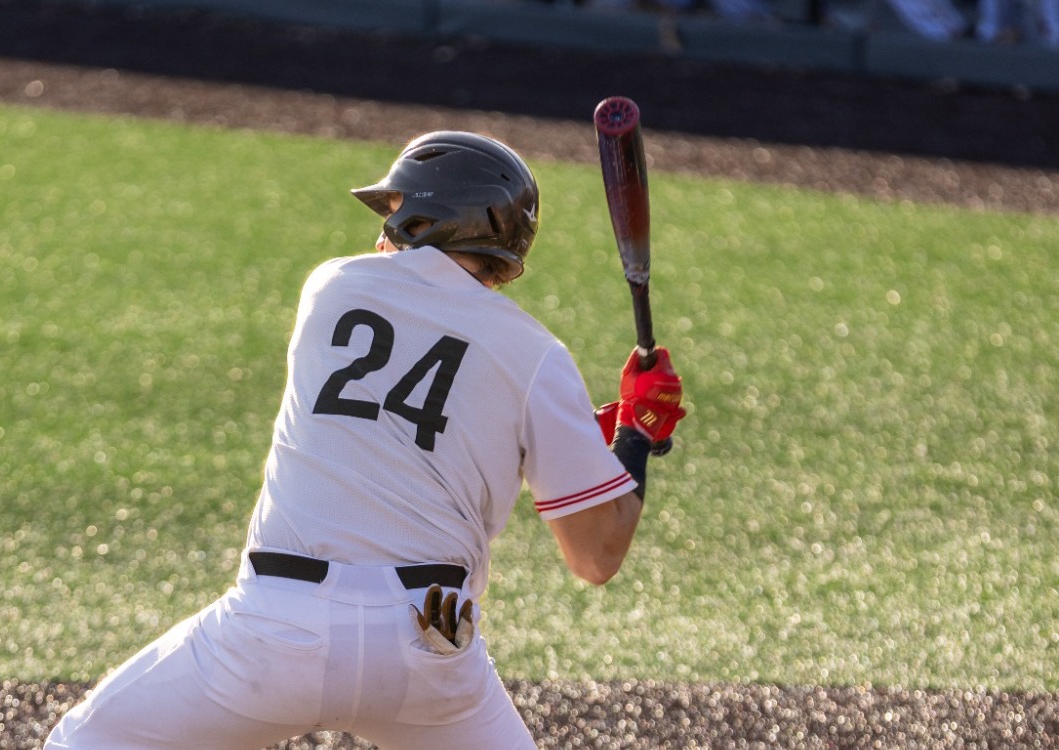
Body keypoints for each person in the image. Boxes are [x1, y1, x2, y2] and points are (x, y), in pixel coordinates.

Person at [44, 131, 686, 749]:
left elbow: (406, 406)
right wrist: (635, 433)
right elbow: (595, 555)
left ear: (429, 219)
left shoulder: (332, 287)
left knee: (87, 741)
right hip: (428, 645)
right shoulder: (536, 356)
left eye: (396, 209)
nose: (384, 228)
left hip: (274, 632)